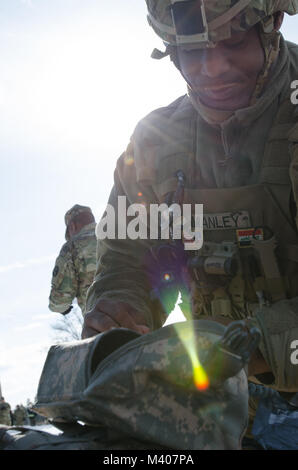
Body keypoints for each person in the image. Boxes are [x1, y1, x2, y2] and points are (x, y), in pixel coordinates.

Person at [82, 1, 298, 441]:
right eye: (189, 50)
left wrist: (257, 347)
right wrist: (119, 310)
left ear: (272, 22)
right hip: (223, 409)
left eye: (233, 41)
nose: (212, 68)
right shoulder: (155, 142)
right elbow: (125, 259)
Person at [49, 204, 97, 316]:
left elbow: (61, 299)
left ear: (72, 226)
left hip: (104, 322)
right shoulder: (119, 235)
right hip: (142, 317)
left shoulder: (72, 247)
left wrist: (60, 308)